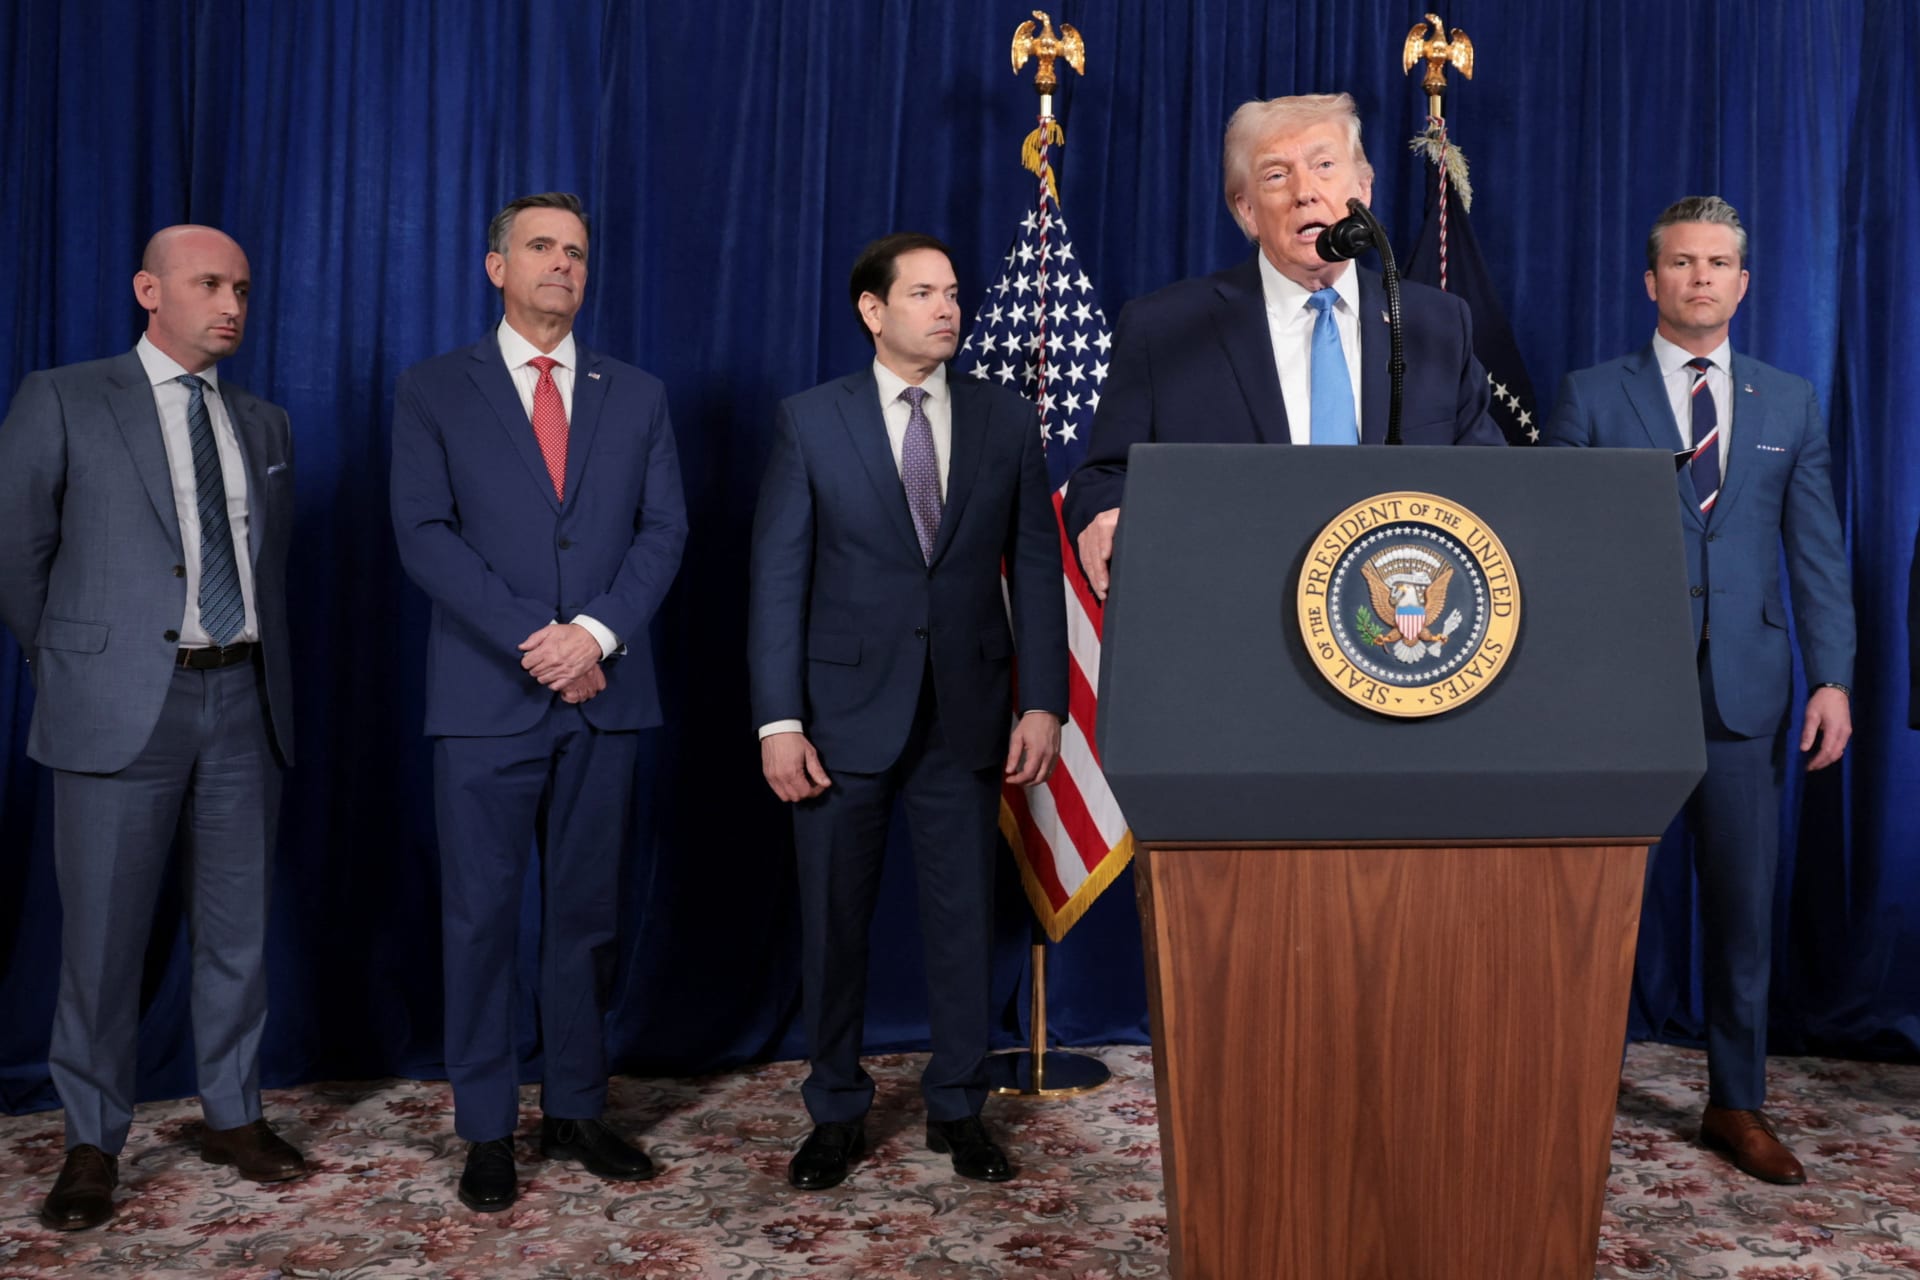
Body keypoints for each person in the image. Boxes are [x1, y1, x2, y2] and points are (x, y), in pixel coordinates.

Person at [748, 233, 1068, 1190]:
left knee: (964, 918)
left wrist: (1043, 702)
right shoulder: (810, 422)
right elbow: (776, 581)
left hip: (967, 714)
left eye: (955, 293)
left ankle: (959, 1107)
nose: (948, 309)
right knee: (833, 924)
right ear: (871, 310)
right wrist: (779, 721)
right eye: (924, 293)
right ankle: (836, 1110)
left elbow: (1039, 570)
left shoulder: (1006, 420)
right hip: (839, 721)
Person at [0, 225, 305, 1231]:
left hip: (241, 700)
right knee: (100, 937)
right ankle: (91, 1138)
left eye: (244, 288)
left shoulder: (264, 423)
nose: (232, 304)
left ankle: (233, 1109)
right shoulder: (64, 395)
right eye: (210, 283)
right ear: (148, 288)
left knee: (237, 928)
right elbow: (17, 552)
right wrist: (74, 668)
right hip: (121, 703)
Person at [1544, 195, 1854, 1185]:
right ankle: (1569, 1087)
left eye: (1720, 262)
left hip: (1747, 697)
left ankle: (1736, 1100)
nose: (1702, 277)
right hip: (1621, 695)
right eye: (1683, 262)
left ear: (1744, 281)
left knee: (1741, 909)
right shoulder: (1591, 397)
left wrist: (1834, 676)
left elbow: (1816, 555)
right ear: (1653, 280)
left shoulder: (1789, 402)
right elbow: (1559, 553)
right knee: (1592, 907)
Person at [390, 192, 687, 1213]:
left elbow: (663, 532)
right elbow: (425, 534)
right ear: (495, 266)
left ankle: (574, 1105)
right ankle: (486, 1127)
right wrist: (544, 641)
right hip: (486, 698)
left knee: (587, 919)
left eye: (576, 252)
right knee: (478, 919)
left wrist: (595, 634)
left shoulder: (637, 394)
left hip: (607, 695)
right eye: (541, 248)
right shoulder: (434, 389)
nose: (562, 264)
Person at [1065, 92, 1503, 598]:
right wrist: (1108, 513)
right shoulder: (1164, 329)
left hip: (1396, 622)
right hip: (1231, 607)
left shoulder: (1436, 324)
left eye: (1324, 165)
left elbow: (1489, 480)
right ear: (1247, 211)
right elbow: (1103, 478)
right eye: (1277, 175)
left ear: (1363, 186)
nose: (1305, 192)